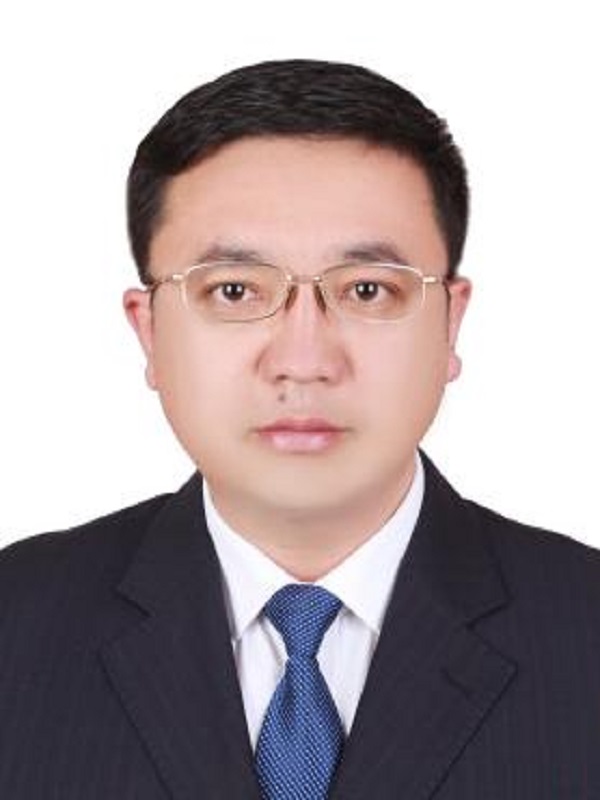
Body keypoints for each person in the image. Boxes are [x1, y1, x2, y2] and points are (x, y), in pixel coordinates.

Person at [1, 59, 599, 800]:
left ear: (450, 322)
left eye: (368, 290)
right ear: (148, 330)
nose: (305, 360)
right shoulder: (15, 624)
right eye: (234, 290)